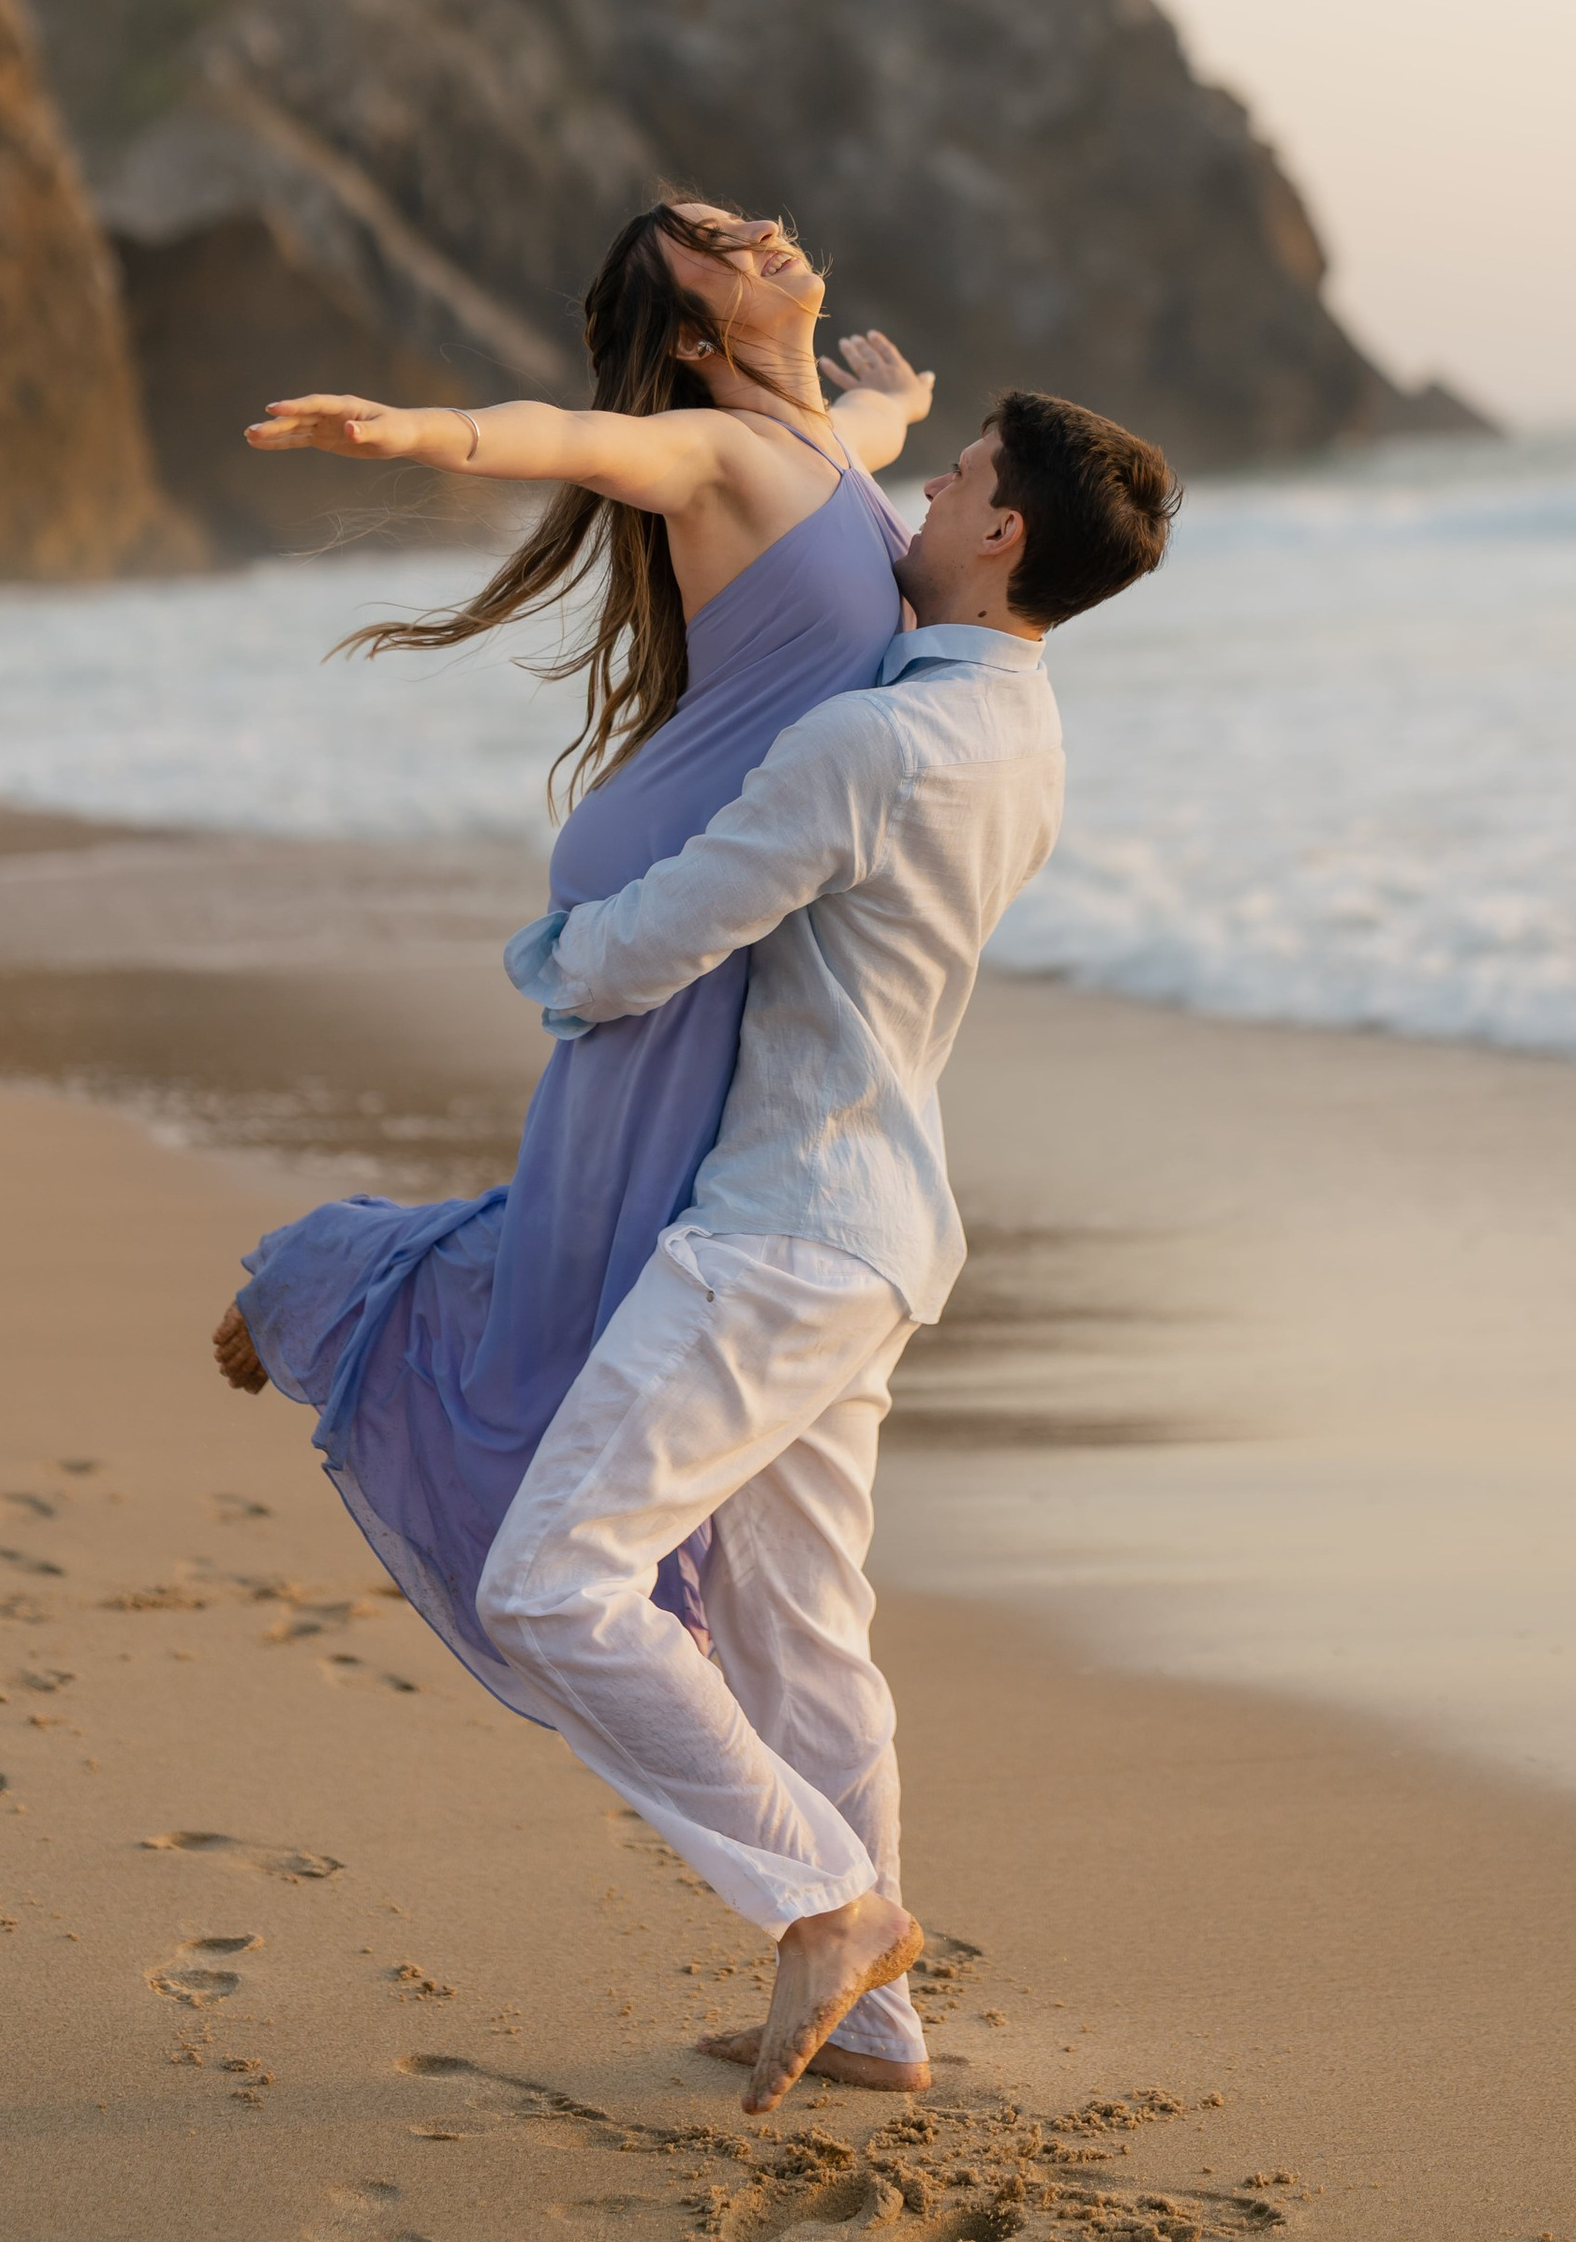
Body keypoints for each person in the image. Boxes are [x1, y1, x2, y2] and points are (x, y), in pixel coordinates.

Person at [483, 390, 1178, 2112]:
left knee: (552, 1580)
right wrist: (836, 413)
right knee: (805, 1635)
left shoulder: (884, 746)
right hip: (878, 1234)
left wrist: (555, 957)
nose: (920, 501)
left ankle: (833, 1903)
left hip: (785, 1235)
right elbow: (846, 543)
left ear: (1004, 532)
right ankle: (874, 2025)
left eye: (952, 481)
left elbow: (687, 914)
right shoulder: (1022, 732)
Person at [212, 198, 932, 1705]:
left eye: (745, 216)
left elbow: (863, 420)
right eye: (721, 245)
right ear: (691, 338)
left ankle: (352, 1308)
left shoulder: (823, 450)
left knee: (608, 1231)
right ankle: (315, 1283)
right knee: (596, 1252)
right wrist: (413, 433)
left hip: (719, 880)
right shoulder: (714, 453)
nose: (764, 230)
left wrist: (905, 401)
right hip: (672, 877)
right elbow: (568, 436)